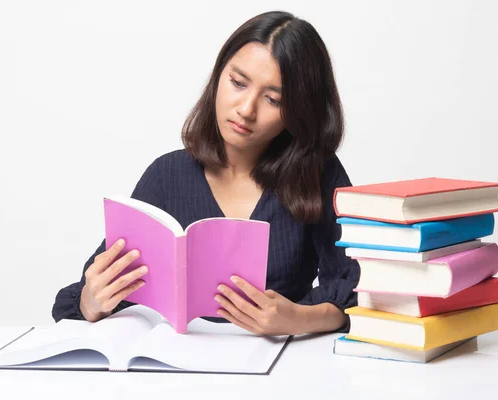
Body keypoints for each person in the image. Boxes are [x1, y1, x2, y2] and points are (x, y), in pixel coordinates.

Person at [52, 10, 360, 335]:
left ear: (299, 109)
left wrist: (299, 319)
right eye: (238, 83)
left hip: (283, 367)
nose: (246, 109)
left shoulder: (317, 174)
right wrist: (92, 300)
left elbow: (360, 289)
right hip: (181, 370)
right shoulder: (166, 177)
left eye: (273, 99)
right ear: (218, 76)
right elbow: (86, 298)